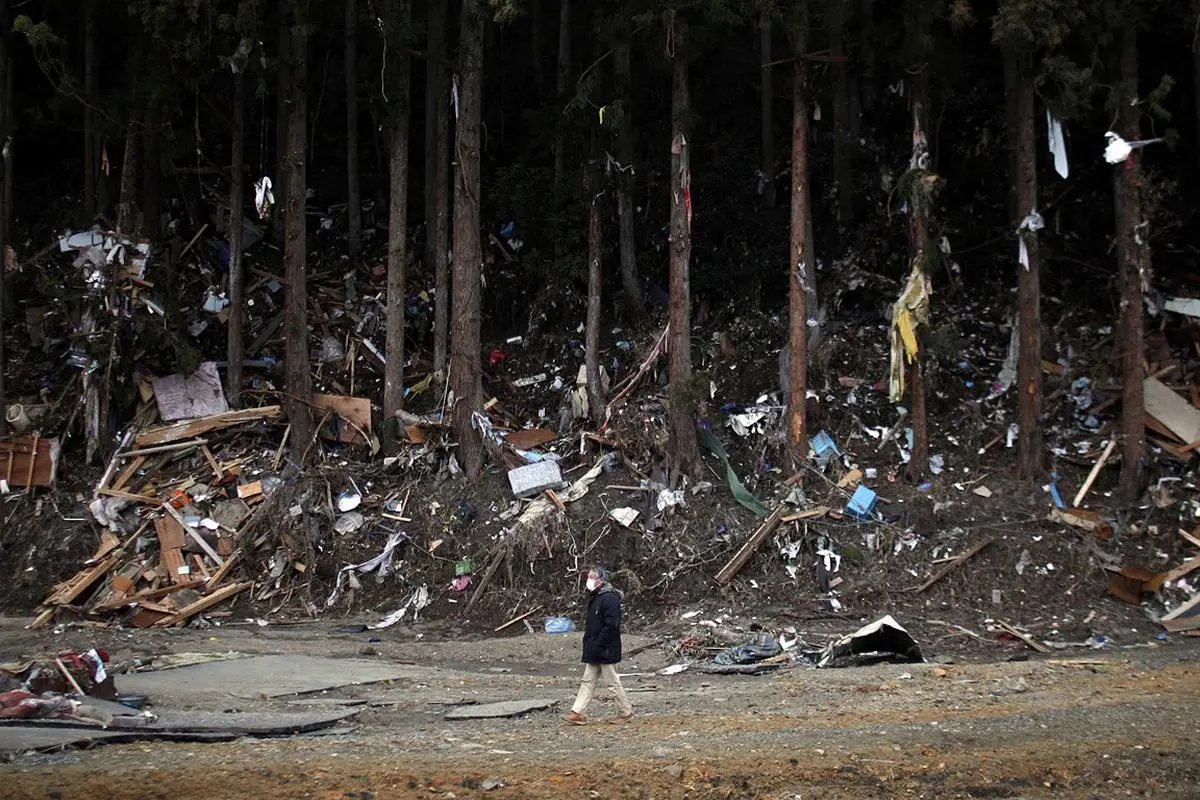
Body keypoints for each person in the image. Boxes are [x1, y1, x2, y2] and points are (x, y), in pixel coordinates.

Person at [562, 566, 633, 725]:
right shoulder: (596, 597)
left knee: (612, 682)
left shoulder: (609, 598)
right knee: (587, 681)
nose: (589, 580)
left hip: (605, 648)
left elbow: (611, 625)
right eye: (589, 576)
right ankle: (578, 712)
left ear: (601, 579)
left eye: (592, 577)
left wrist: (599, 643)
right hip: (595, 647)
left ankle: (625, 711)